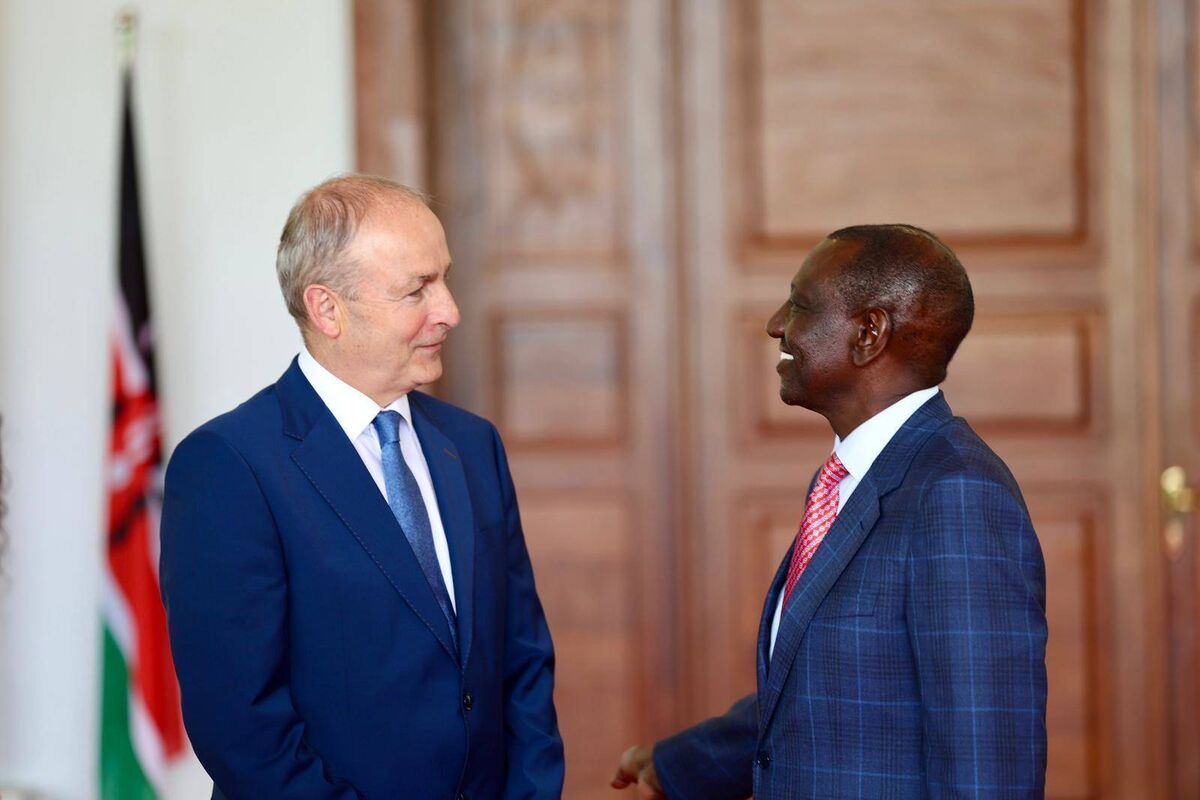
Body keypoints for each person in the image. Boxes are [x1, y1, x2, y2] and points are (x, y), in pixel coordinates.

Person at [160, 175, 564, 799]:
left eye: (444, 278)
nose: (449, 310)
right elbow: (241, 725)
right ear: (327, 309)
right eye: (416, 290)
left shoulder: (473, 444)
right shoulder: (227, 466)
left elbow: (523, 659)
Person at [612, 224, 1047, 799]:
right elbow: (826, 689)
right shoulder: (854, 477)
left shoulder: (956, 495)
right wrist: (679, 764)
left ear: (868, 333)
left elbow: (986, 767)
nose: (775, 325)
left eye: (799, 305)